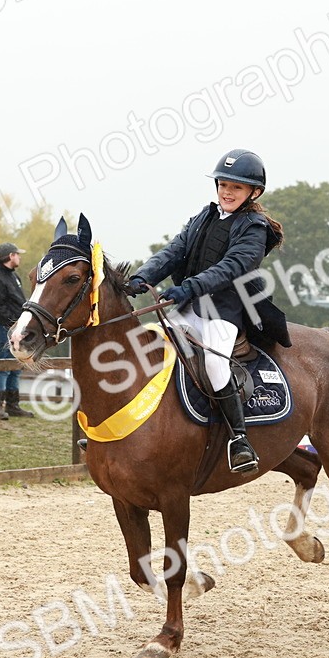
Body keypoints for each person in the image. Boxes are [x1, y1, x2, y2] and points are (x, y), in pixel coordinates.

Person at [127, 148, 289, 474]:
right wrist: (144, 275)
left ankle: (239, 440)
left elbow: (231, 267)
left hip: (224, 312)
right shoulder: (205, 216)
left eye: (236, 188)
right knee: (147, 349)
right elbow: (174, 251)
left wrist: (189, 287)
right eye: (223, 185)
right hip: (187, 307)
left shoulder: (254, 228)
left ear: (253, 192)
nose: (227, 192)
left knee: (215, 363)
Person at [0, 242, 34, 420]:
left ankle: (13, 405)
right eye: (17, 254)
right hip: (5, 327)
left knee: (17, 365)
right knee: (4, 365)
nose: (19, 257)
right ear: (11, 256)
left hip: (17, 328)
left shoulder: (13, 277)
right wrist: (12, 325)